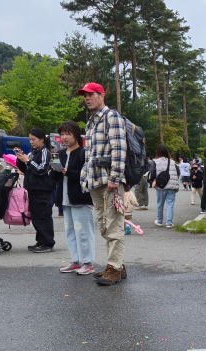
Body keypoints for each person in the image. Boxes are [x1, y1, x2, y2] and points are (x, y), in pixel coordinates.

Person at [79, 82, 129, 286]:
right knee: (103, 226)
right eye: (85, 96)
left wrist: (115, 178)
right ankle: (117, 265)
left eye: (91, 94)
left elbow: (119, 149)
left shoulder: (112, 117)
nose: (87, 98)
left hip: (110, 181)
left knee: (114, 225)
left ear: (102, 95)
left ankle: (114, 268)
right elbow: (89, 155)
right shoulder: (91, 122)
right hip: (95, 181)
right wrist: (85, 179)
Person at [52, 121, 94, 274]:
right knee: (70, 231)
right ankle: (76, 261)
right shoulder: (61, 154)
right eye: (62, 134)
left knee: (83, 232)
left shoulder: (84, 153)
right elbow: (55, 179)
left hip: (81, 198)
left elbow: (88, 177)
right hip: (65, 199)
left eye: (67, 134)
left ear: (76, 134)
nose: (64, 137)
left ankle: (87, 262)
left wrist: (66, 171)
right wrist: (55, 170)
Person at [15, 128, 55, 253]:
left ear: (42, 139)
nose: (31, 142)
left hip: (42, 189)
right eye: (30, 139)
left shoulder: (45, 152)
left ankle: (48, 243)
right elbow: (26, 168)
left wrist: (28, 161)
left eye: (34, 139)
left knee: (44, 216)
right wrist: (20, 159)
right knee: (36, 216)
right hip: (32, 188)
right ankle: (40, 241)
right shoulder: (33, 152)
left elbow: (41, 169)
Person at [151, 144, 180, 228]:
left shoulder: (155, 161)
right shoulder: (172, 162)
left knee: (160, 203)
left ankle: (159, 221)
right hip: (171, 186)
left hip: (160, 185)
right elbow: (178, 172)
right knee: (170, 204)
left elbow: (152, 173)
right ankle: (169, 223)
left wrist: (153, 180)